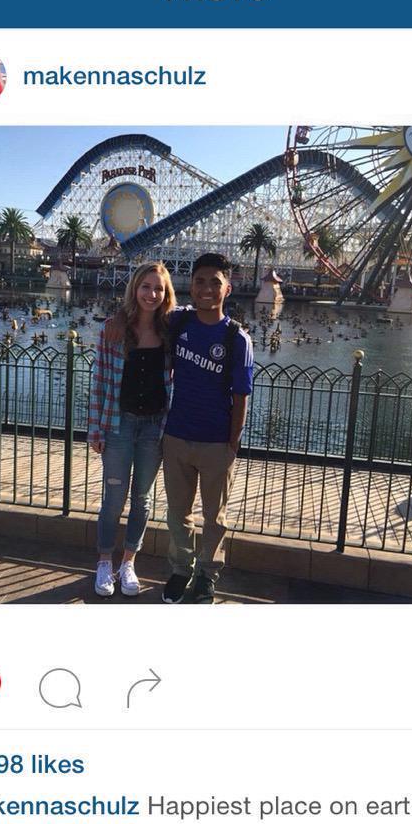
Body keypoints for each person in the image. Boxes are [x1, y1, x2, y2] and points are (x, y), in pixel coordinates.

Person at [162, 252, 254, 604]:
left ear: (227, 288)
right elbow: (141, 314)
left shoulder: (236, 338)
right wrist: (114, 323)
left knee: (214, 517)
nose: (206, 289)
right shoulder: (179, 322)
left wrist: (232, 442)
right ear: (191, 285)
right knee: (178, 513)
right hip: (176, 436)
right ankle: (180, 570)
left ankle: (206, 575)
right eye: (200, 281)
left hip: (217, 442)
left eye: (215, 282)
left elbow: (241, 396)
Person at [88, 261, 176, 597]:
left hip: (154, 427)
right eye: (145, 287)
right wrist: (95, 429)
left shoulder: (170, 332)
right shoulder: (113, 330)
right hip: (119, 424)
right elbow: (99, 382)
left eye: (159, 288)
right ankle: (104, 562)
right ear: (134, 289)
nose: (151, 294)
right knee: (113, 499)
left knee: (142, 499)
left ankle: (128, 562)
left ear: (166, 293)